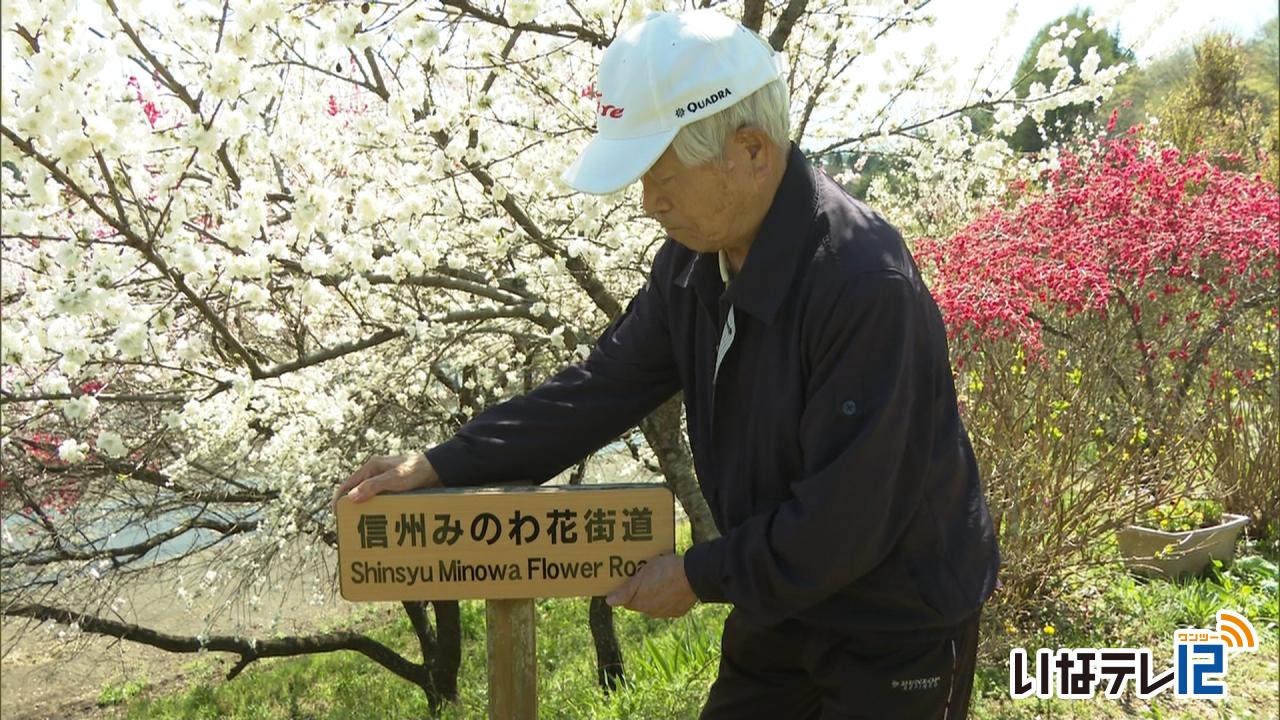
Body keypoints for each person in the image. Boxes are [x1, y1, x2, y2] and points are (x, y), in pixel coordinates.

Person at [340, 9, 999, 719]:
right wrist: (444, 463)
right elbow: (602, 388)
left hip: (895, 620)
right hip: (779, 603)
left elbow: (846, 522)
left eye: (663, 176)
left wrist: (698, 573)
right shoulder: (692, 264)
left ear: (752, 150)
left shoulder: (861, 284)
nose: (649, 203)